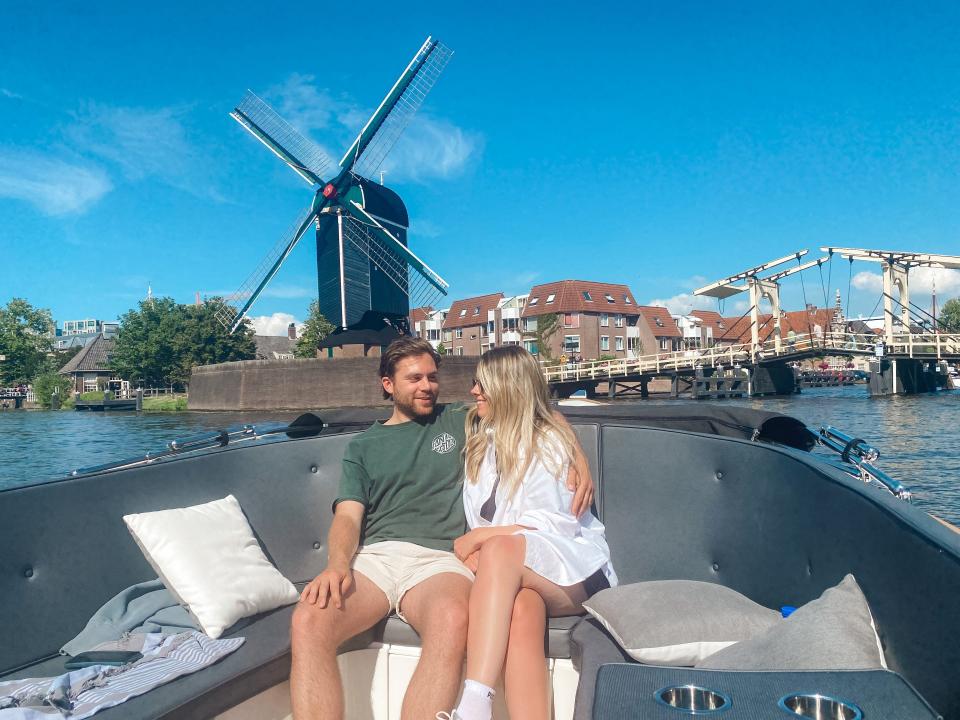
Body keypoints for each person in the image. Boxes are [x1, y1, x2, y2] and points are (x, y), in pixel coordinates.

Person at [290, 337, 593, 720]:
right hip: (377, 559)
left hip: (440, 560)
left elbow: (529, 403)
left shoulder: (460, 419)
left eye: (432, 377)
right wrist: (337, 565)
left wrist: (578, 455)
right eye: (414, 378)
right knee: (308, 621)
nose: (427, 387)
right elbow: (348, 517)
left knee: (451, 618)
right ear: (388, 384)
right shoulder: (363, 447)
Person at [444, 346, 617, 720]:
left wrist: (481, 540)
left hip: (577, 570)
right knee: (523, 608)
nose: (473, 391)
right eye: (475, 382)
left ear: (508, 389)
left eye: (483, 384)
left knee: (500, 551)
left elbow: (557, 523)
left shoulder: (549, 443)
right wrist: (486, 546)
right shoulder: (481, 437)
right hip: (518, 573)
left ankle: (474, 704)